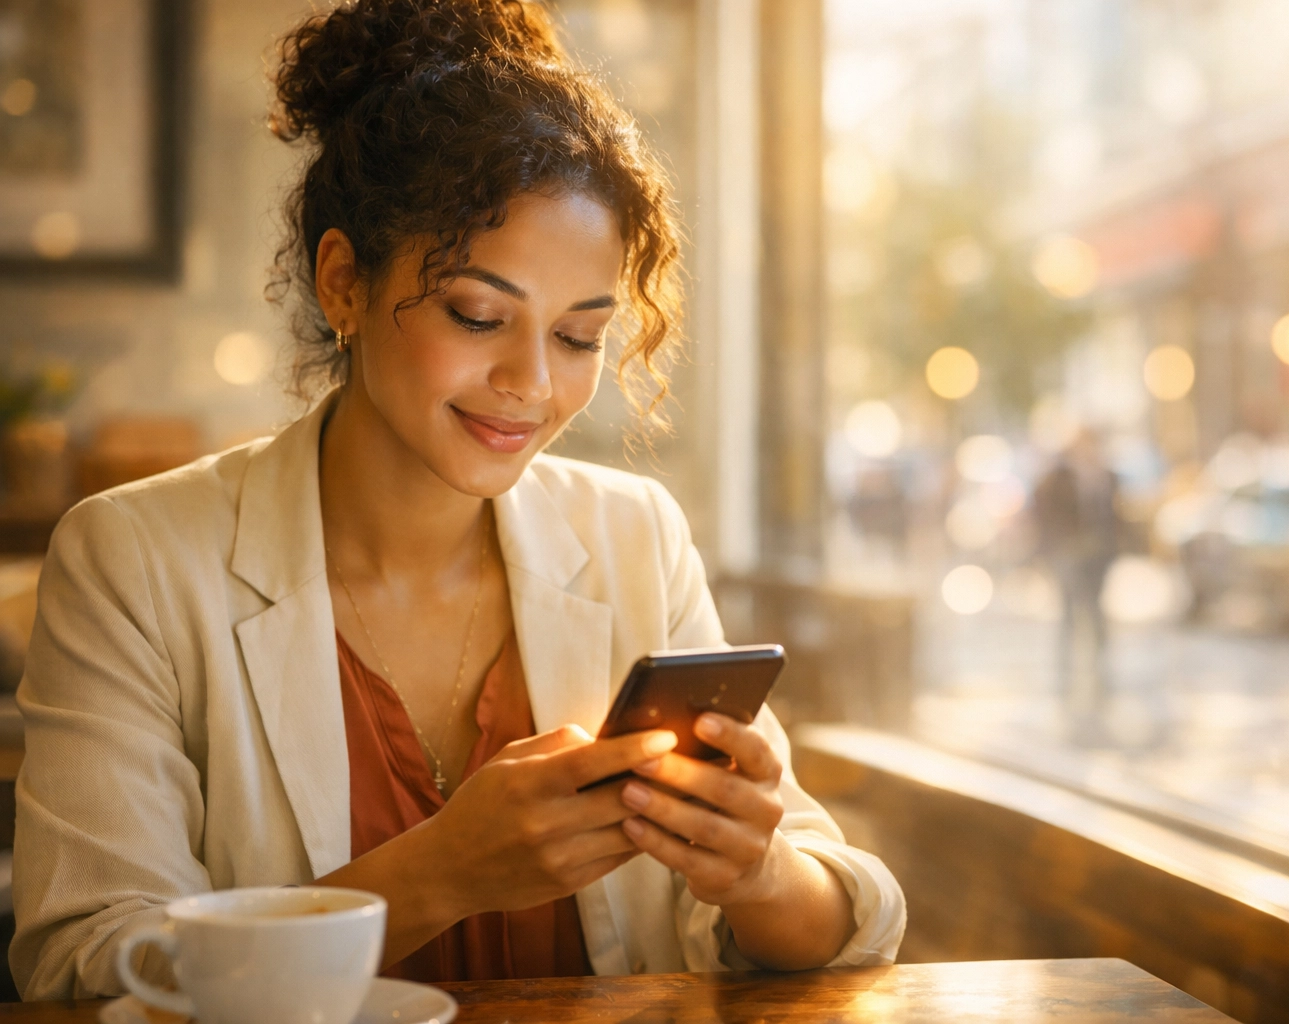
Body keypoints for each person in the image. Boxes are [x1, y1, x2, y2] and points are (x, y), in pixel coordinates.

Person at [10, 0, 904, 999]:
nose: (531, 383)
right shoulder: (134, 559)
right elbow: (83, 968)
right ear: (342, 282)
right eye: (480, 315)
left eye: (578, 338)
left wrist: (757, 870)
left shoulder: (631, 537)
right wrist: (439, 875)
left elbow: (847, 918)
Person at [1032, 429, 1119, 728]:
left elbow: (1114, 514)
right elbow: (1044, 511)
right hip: (1068, 553)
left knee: (1095, 610)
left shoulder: (1107, 475)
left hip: (1097, 554)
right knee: (1070, 609)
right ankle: (1066, 670)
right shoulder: (1058, 478)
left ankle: (1099, 668)